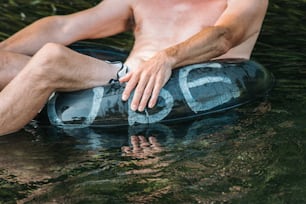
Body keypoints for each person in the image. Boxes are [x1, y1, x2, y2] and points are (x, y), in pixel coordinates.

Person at [0, 0, 268, 135]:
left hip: (166, 90)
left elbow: (224, 37)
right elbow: (63, 26)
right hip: (116, 79)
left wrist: (168, 58)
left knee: (51, 59)